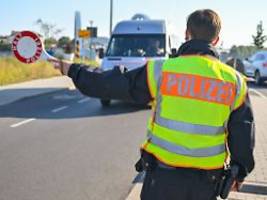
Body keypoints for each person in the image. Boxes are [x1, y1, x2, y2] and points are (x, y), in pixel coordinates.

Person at [50, 9, 255, 200]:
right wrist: (240, 171)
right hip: (206, 183)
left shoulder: (162, 70)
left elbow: (109, 84)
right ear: (216, 39)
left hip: (162, 179)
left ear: (186, 33)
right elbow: (243, 133)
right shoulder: (234, 81)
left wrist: (72, 70)